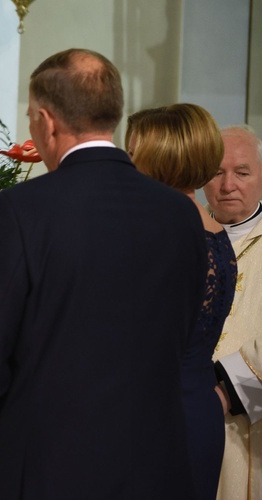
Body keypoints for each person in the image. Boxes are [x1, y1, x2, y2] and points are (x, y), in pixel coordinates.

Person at [0, 48, 208, 498]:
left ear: (48, 122)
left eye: (31, 116)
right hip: (157, 462)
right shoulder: (179, 213)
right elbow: (183, 332)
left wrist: (17, 432)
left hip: (50, 466)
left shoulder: (20, 210)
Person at [126, 103, 236, 499]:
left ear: (163, 158)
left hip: (150, 421)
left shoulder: (157, 232)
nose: (127, 164)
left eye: (134, 155)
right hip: (196, 410)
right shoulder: (213, 231)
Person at [203, 125, 262, 499]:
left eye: (242, 172)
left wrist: (227, 390)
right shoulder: (181, 233)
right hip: (182, 416)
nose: (227, 185)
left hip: (249, 426)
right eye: (216, 172)